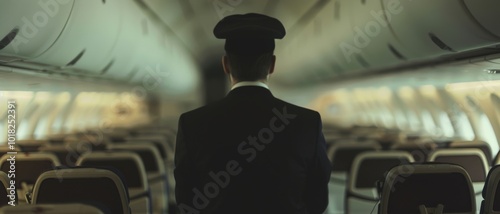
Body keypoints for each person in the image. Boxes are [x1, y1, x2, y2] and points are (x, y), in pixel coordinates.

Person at [174, 13, 331, 214]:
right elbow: (318, 201)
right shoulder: (308, 122)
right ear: (272, 65)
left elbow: (186, 201)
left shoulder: (191, 124)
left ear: (225, 65)